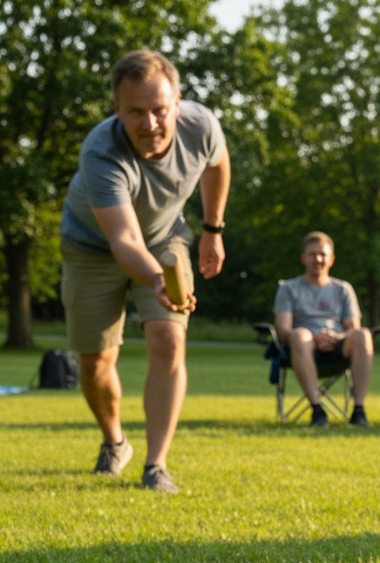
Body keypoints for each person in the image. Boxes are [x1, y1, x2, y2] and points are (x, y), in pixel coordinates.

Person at [59, 49, 230, 492]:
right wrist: (157, 279)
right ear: (117, 108)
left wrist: (213, 228)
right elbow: (124, 240)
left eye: (159, 110)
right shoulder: (101, 152)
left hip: (165, 234)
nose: (150, 124)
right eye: (136, 112)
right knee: (96, 360)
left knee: (169, 338)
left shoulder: (201, 125)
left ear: (177, 102)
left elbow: (218, 164)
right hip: (91, 245)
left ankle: (156, 466)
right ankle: (114, 441)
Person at [273, 232, 374, 427]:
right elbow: (283, 330)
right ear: (303, 258)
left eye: (322, 254)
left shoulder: (343, 289)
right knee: (299, 335)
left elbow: (353, 328)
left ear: (331, 259)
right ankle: (317, 410)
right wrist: (312, 338)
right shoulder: (288, 288)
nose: (317, 259)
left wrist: (336, 337)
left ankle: (359, 410)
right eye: (312, 254)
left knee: (363, 335)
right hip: (303, 347)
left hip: (337, 346)